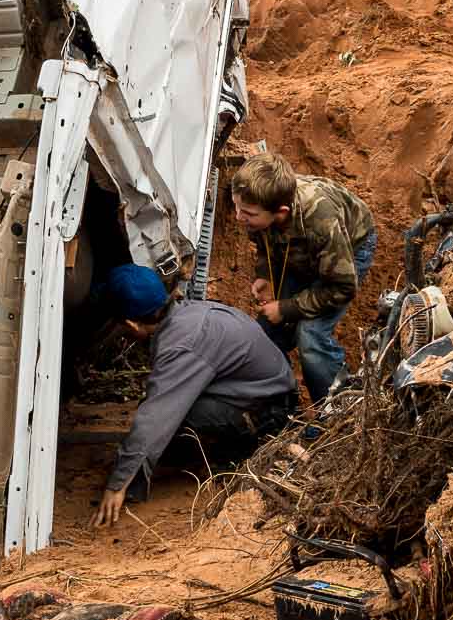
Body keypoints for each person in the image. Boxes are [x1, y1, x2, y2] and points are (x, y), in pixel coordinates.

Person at [92, 264, 297, 527]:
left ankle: (241, 450)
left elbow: (157, 417)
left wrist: (118, 484)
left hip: (271, 411)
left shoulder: (181, 345)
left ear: (131, 323)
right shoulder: (187, 313)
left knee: (172, 411)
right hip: (265, 393)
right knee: (166, 406)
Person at [229, 148, 377, 403]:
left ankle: (335, 410)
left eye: (248, 214)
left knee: (310, 336)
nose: (238, 217)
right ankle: (280, 403)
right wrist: (265, 274)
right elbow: (263, 238)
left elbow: (342, 287)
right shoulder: (259, 204)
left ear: (281, 212)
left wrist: (286, 308)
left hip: (346, 250)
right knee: (267, 329)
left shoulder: (321, 221)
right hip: (303, 246)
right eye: (237, 207)